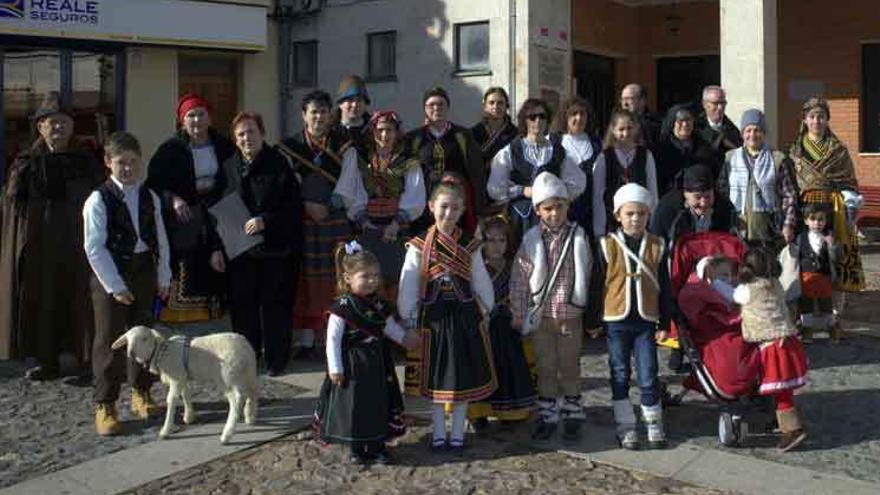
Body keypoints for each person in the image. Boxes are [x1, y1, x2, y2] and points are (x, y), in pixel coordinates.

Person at [0, 95, 105, 380]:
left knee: (80, 300)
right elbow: (12, 204)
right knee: (43, 300)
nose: (58, 127)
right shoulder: (25, 162)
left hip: (78, 244)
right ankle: (48, 363)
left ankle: (85, 362)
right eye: (52, 122)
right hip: (41, 245)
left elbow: (101, 198)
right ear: (40, 128)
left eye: (64, 122)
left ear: (72, 128)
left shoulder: (86, 161)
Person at [83, 131, 172, 435]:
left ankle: (141, 393)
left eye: (134, 162)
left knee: (144, 335)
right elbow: (94, 247)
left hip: (144, 269)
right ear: (108, 162)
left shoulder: (150, 196)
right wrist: (115, 285)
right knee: (109, 340)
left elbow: (160, 238)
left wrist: (164, 276)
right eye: (122, 163)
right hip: (111, 273)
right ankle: (105, 404)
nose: (129, 168)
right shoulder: (98, 199)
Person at [398, 178, 496, 451]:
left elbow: (480, 278)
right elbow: (408, 285)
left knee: (462, 377)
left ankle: (458, 434)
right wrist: (409, 317)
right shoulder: (419, 245)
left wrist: (486, 309)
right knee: (436, 378)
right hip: (434, 319)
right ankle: (439, 432)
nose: (448, 214)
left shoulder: (470, 245)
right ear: (431, 207)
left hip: (464, 317)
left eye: (455, 208)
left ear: (463, 209)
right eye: (443, 207)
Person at [313, 241, 419, 465]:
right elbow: (332, 340)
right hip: (352, 366)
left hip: (377, 364)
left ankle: (378, 447)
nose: (371, 281)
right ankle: (357, 448)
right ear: (348, 277)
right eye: (365, 276)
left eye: (375, 276)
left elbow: (389, 328)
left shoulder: (379, 305)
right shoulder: (342, 307)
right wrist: (335, 368)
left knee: (378, 403)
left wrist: (405, 339)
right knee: (356, 407)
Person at [510, 172, 592, 442]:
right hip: (542, 314)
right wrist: (519, 312)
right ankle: (547, 413)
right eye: (548, 208)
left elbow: (588, 272)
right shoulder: (531, 240)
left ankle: (572, 411)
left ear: (568, 206)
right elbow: (520, 279)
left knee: (570, 365)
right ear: (537, 211)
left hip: (570, 314)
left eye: (559, 206)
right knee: (546, 366)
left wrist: (583, 308)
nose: (555, 213)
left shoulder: (578, 236)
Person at [219, 112, 302, 376]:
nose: (246, 138)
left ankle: (277, 360)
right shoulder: (229, 166)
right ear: (235, 138)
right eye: (241, 134)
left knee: (275, 308)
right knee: (243, 310)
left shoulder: (279, 164)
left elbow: (294, 208)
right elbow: (218, 208)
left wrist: (266, 221)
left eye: (251, 132)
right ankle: (247, 358)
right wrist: (216, 248)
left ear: (262, 133)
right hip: (240, 252)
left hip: (274, 250)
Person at [279, 90, 356, 355]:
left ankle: (332, 337)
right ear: (304, 115)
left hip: (334, 218)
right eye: (313, 112)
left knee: (336, 278)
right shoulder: (290, 147)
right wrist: (306, 205)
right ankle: (307, 339)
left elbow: (349, 181)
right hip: (303, 219)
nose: (319, 117)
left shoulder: (344, 145)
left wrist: (330, 205)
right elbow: (287, 185)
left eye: (323, 111)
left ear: (330, 114)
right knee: (306, 280)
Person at [147, 94, 234, 322]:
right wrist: (173, 199)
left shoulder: (224, 146)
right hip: (184, 219)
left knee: (218, 266)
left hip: (218, 213)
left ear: (210, 118)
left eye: (201, 114)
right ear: (182, 121)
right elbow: (154, 184)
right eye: (191, 116)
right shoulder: (169, 150)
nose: (196, 120)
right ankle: (181, 322)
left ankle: (214, 320)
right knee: (187, 270)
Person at [597, 183, 670, 450]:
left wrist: (666, 321)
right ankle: (625, 423)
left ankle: (653, 420)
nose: (635, 219)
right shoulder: (607, 245)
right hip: (616, 318)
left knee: (649, 372)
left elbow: (665, 285)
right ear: (618, 215)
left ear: (648, 215)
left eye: (641, 213)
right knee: (619, 371)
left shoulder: (658, 245)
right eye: (629, 214)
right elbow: (598, 283)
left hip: (646, 320)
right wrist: (595, 320)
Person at [334, 110, 425, 299]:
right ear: (373, 131)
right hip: (368, 228)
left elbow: (415, 196)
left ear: (397, 132)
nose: (385, 135)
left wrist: (396, 223)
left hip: (397, 229)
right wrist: (363, 221)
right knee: (367, 281)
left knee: (399, 280)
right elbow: (352, 194)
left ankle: (398, 325)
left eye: (389, 130)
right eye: (380, 130)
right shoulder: (359, 157)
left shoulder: (408, 160)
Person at [788, 96, 863, 302]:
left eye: (821, 116)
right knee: (806, 259)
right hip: (804, 211)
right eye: (812, 117)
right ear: (804, 120)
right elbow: (789, 184)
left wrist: (850, 205)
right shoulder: (794, 151)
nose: (816, 121)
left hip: (832, 211)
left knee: (832, 259)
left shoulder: (838, 151)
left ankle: (835, 316)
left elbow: (849, 182)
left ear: (827, 119)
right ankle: (804, 313)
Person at [733, 248, 809, 452]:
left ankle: (792, 429)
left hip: (772, 345)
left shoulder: (746, 290)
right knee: (783, 389)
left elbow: (731, 296)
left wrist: (713, 281)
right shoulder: (776, 284)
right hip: (788, 340)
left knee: (782, 391)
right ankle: (783, 422)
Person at [468, 216, 536, 431]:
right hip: (483, 328)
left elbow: (524, 293)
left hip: (507, 328)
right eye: (491, 240)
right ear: (482, 241)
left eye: (502, 240)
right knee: (481, 369)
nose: (497, 246)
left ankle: (510, 410)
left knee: (509, 369)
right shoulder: (476, 267)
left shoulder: (515, 266)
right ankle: (478, 414)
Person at [487, 98, 585, 241]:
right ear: (524, 120)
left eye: (542, 116)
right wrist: (522, 191)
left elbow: (577, 182)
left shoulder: (558, 151)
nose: (538, 121)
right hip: (521, 219)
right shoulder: (511, 151)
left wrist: (555, 193)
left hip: (551, 218)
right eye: (532, 117)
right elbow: (494, 187)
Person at [407, 86, 486, 233]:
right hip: (424, 205)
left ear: (448, 107)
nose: (436, 108)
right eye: (431, 105)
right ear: (425, 109)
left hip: (455, 203)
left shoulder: (463, 136)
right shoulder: (414, 138)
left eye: (441, 104)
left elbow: (476, 172)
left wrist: (478, 208)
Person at [717, 109, 798, 247]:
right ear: (742, 133)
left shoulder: (777, 159)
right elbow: (722, 192)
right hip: (736, 230)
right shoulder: (730, 158)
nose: (752, 135)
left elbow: (789, 196)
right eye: (748, 130)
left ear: (764, 133)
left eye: (757, 130)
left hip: (768, 232)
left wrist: (788, 224)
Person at [591, 109, 659, 238]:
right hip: (612, 221)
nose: (626, 133)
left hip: (640, 221)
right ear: (613, 130)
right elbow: (598, 196)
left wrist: (653, 224)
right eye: (621, 129)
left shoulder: (646, 156)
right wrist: (599, 229)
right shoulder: (604, 158)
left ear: (636, 129)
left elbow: (652, 192)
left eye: (629, 128)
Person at [650, 164, 737, 246]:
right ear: (685, 194)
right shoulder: (668, 210)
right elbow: (656, 244)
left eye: (708, 196)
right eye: (697, 197)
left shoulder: (725, 208)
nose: (703, 203)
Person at [553, 96, 602, 233]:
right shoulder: (554, 143)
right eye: (574, 114)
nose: (579, 118)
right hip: (562, 212)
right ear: (565, 117)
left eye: (582, 113)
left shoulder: (596, 144)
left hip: (590, 212)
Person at [793, 204, 840, 343]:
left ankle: (832, 328)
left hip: (823, 277)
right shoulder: (801, 238)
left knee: (826, 305)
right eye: (813, 219)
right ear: (806, 221)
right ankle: (807, 330)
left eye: (820, 220)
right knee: (806, 305)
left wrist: (832, 246)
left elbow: (836, 258)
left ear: (825, 222)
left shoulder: (829, 238)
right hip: (806, 277)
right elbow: (796, 256)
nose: (817, 223)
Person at [652, 104, 720, 196]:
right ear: (672, 123)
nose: (685, 124)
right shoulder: (662, 149)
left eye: (688, 120)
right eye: (680, 121)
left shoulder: (705, 148)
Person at [470, 87, 519, 193]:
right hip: (479, 184)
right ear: (485, 106)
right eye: (491, 103)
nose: (496, 106)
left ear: (507, 106)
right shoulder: (473, 133)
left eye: (500, 103)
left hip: (506, 185)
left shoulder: (515, 134)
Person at [695, 85, 743, 163]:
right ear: (705, 104)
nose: (720, 107)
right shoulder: (695, 127)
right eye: (716, 103)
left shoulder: (732, 130)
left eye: (722, 103)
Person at [620, 83, 662, 148]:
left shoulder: (655, 123)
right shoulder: (617, 122)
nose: (625, 103)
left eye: (629, 99)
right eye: (622, 99)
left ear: (642, 100)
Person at [334, 75, 371, 146]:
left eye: (359, 100)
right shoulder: (329, 132)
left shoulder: (374, 131)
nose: (355, 105)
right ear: (340, 104)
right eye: (350, 100)